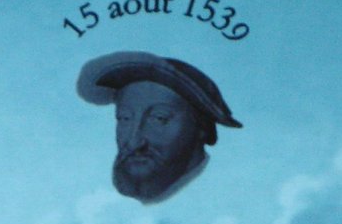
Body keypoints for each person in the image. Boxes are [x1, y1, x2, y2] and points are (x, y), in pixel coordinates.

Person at [76, 52, 241, 203]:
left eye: (159, 119)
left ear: (202, 127)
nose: (134, 142)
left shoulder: (226, 194)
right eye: (125, 118)